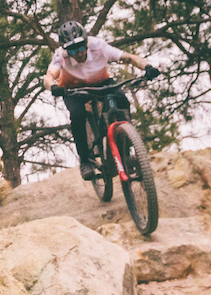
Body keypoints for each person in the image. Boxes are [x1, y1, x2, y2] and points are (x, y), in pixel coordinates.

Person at [42, 20, 157, 179]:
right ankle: (85, 161)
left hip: (101, 82)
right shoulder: (60, 55)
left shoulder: (98, 45)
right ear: (66, 49)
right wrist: (53, 86)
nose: (80, 53)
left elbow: (129, 58)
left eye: (82, 48)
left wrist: (147, 67)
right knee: (77, 115)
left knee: (122, 101)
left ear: (86, 42)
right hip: (73, 89)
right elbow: (49, 76)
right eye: (73, 51)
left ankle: (126, 147)